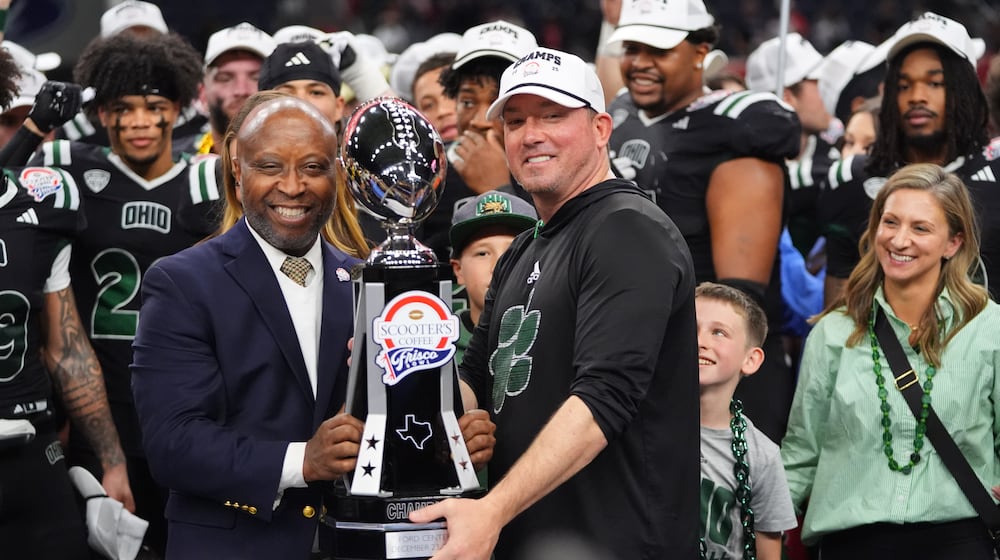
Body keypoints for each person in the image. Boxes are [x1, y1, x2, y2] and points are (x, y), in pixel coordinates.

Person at [410, 46, 700, 559]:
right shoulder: (526, 244)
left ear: (601, 129)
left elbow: (602, 400)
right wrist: (394, 367)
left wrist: (493, 510)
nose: (531, 134)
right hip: (532, 538)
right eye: (516, 120)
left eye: (553, 115)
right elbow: (477, 385)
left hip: (615, 542)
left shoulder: (627, 229)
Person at [3, 31, 218, 555]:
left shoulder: (209, 180)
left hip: (185, 397)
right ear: (101, 113)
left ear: (180, 108)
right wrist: (34, 129)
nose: (139, 122)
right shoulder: (65, 168)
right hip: (100, 404)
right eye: (122, 107)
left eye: (154, 106)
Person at [129, 95, 363, 557]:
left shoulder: (363, 281)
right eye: (271, 166)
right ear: (238, 171)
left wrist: (447, 430)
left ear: (337, 173)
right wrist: (303, 461)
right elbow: (172, 443)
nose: (293, 187)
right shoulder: (181, 282)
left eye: (313, 167)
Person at [605, 0, 801, 443]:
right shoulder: (619, 111)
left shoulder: (736, 121)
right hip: (631, 338)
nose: (640, 63)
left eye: (658, 50)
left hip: (706, 346)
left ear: (700, 51)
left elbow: (780, 127)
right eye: (632, 48)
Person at [782, 163, 1000, 558]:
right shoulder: (833, 333)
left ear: (953, 242)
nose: (899, 240)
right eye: (890, 222)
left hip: (959, 542)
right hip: (852, 544)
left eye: (921, 228)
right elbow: (800, 455)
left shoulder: (989, 329)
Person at [0, 45, 132, 558]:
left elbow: (66, 351)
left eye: (22, 122)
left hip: (31, 451)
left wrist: (112, 459)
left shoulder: (42, 203)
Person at [821, 12, 1000, 303]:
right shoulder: (851, 179)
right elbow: (839, 310)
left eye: (935, 83)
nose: (917, 96)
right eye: (904, 86)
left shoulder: (997, 170)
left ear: (965, 90)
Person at [423, 20, 538, 264]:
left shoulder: (556, 172)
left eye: (498, 103)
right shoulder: (429, 177)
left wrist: (499, 190)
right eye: (467, 102)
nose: (479, 121)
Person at [695, 282, 796, 560]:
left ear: (750, 360)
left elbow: (768, 552)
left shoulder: (761, 456)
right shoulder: (642, 426)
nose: (700, 341)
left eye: (718, 332)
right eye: (690, 329)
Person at [256, 40, 373, 257]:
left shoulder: (369, 183)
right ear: (260, 107)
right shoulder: (242, 177)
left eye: (316, 92)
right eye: (286, 92)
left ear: (339, 107)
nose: (302, 103)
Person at [448, 190, 537, 362]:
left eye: (514, 251)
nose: (499, 266)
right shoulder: (438, 348)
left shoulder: (560, 338)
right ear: (458, 270)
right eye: (482, 254)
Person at [191, 22, 276, 155]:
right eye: (225, 78)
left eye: (256, 78)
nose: (241, 91)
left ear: (281, 91)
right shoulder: (178, 165)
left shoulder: (309, 166)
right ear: (202, 94)